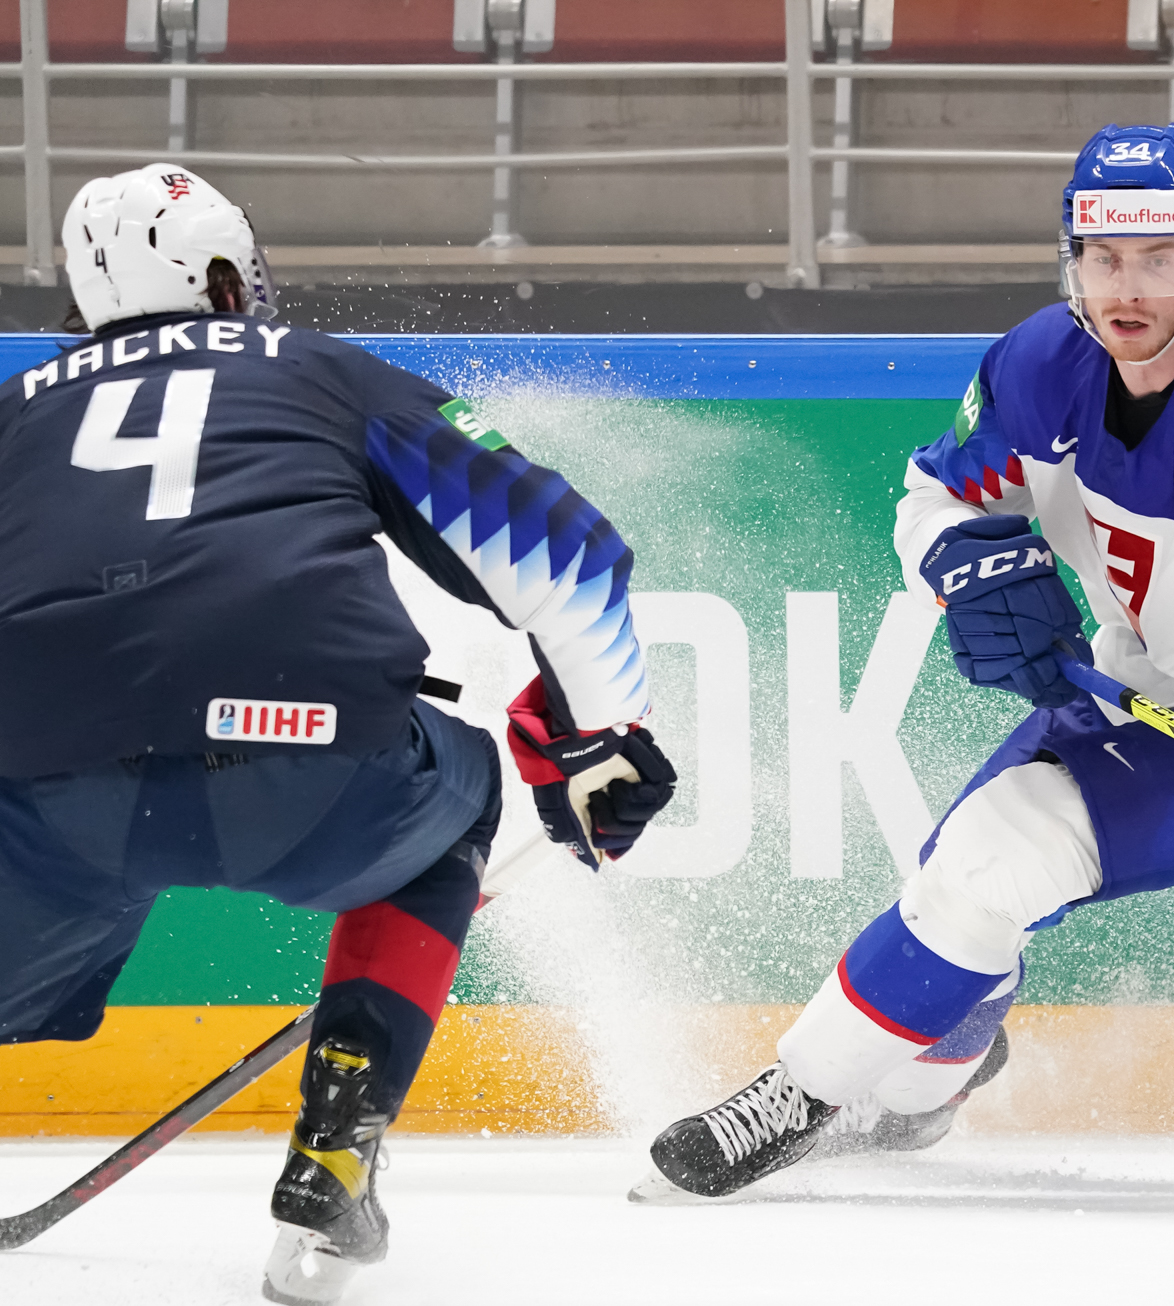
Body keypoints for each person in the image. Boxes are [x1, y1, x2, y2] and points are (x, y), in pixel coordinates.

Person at [636, 123, 1174, 1200]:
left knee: (990, 862)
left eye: (1156, 259)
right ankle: (920, 1092)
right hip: (1149, 686)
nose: (1125, 288)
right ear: (1071, 255)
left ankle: (800, 1096)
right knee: (955, 879)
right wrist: (963, 567)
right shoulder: (1041, 364)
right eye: (1101, 256)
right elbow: (937, 494)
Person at [0, 164, 676, 1304]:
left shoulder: (15, 413)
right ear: (227, 276)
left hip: (48, 794)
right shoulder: (319, 370)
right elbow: (569, 553)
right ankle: (335, 1148)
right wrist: (591, 736)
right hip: (314, 759)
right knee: (455, 801)